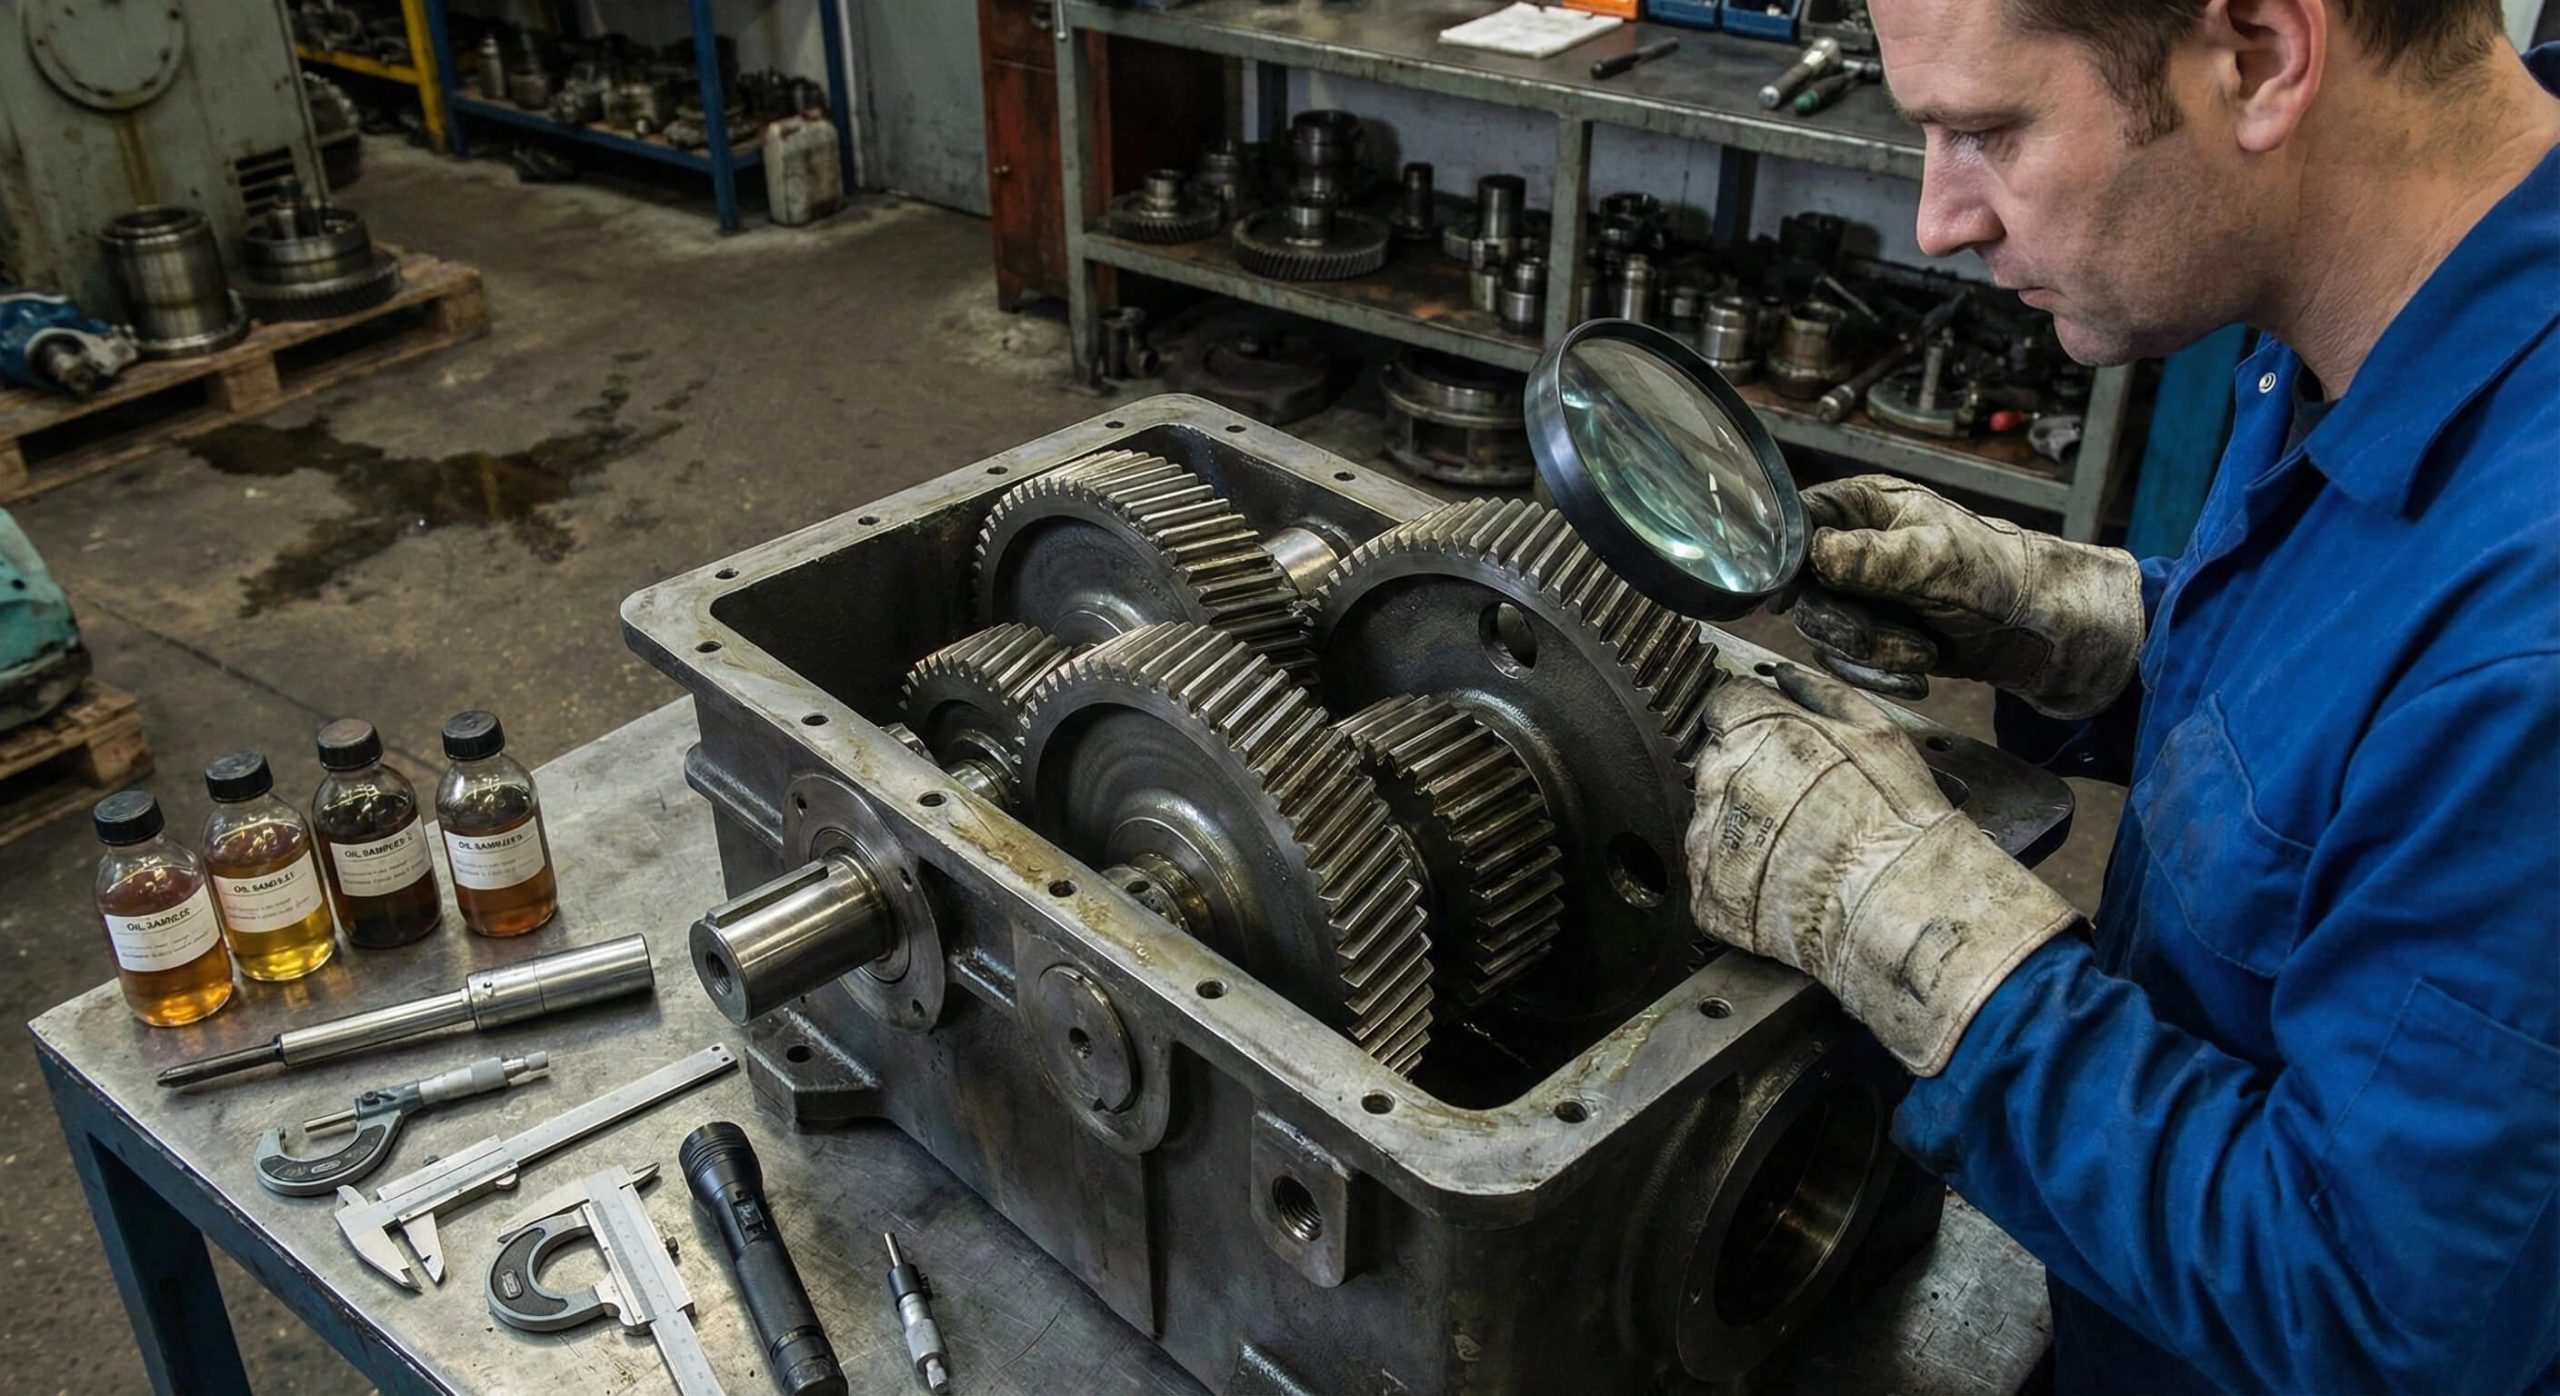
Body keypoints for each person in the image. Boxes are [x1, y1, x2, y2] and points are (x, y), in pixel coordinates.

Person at [1683, 0, 2560, 1390]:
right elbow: (2351, 715)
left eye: (1985, 132)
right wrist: (2094, 636)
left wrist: (1937, 959)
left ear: (2263, 55)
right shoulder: (2371, 301)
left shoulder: (2531, 643)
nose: (1937, 223)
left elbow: (2374, 1321)